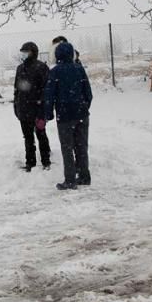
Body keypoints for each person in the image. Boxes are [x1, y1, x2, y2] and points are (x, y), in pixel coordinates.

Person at [42, 41, 92, 190]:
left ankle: (70, 180)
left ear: (57, 55)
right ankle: (84, 176)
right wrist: (83, 107)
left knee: (67, 148)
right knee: (82, 147)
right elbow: (88, 93)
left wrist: (49, 113)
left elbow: (49, 95)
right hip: (82, 114)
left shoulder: (55, 72)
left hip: (64, 116)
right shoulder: (79, 69)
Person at [13, 41, 51, 171]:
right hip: (23, 110)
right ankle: (30, 162)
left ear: (33, 53)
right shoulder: (20, 68)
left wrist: (43, 110)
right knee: (28, 137)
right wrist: (16, 105)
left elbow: (46, 90)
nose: (23, 54)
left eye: (26, 52)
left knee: (41, 135)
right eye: (22, 52)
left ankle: (46, 161)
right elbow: (17, 89)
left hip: (37, 109)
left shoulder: (41, 67)